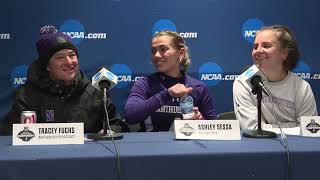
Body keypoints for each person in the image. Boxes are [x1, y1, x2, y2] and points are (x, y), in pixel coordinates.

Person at [1, 25, 128, 135]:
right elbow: (11, 134)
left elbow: (116, 124)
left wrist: (111, 131)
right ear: (47, 66)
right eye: (60, 57)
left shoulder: (95, 92)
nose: (69, 62)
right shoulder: (26, 96)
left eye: (72, 55)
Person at [124, 30, 216, 131]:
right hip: (151, 145)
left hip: (186, 146)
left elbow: (215, 130)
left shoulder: (199, 88)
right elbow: (130, 115)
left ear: (180, 54)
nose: (156, 55)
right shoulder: (144, 83)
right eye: (153, 51)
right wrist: (167, 94)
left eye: (163, 49)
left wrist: (200, 122)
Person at [233, 25, 318, 129]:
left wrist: (267, 127)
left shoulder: (302, 88)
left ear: (284, 53)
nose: (258, 51)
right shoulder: (243, 82)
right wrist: (294, 126)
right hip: (259, 145)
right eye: (255, 47)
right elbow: (253, 129)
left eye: (266, 46)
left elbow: (310, 130)